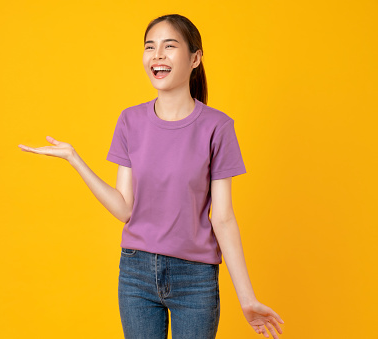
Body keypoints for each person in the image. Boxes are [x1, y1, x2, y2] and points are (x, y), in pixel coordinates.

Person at [18, 13, 285, 339]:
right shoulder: (130, 121)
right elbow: (124, 209)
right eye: (150, 47)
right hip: (135, 272)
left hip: (195, 277)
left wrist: (247, 298)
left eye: (169, 46)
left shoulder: (218, 127)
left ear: (195, 58)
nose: (157, 55)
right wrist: (76, 160)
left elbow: (224, 218)